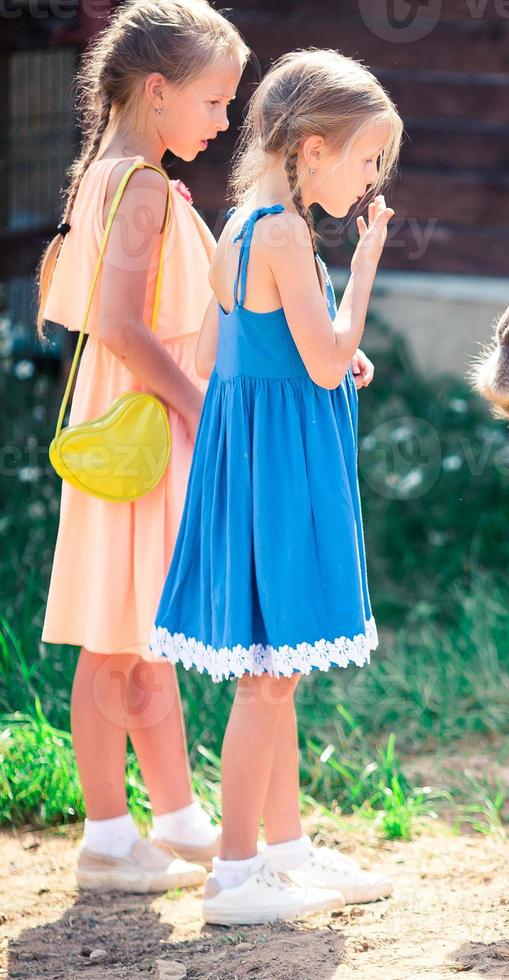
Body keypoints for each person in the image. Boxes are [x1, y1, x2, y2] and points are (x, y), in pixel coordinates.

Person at [149, 48, 403, 926]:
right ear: (312, 147)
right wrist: (366, 264)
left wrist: (330, 357)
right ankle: (234, 872)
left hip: (256, 464)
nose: (373, 182)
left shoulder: (243, 225)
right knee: (269, 678)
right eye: (368, 159)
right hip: (284, 474)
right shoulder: (289, 234)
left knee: (279, 666)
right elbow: (325, 360)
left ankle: (285, 851)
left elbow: (245, 356)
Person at [35, 0, 247, 894]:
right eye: (212, 101)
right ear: (157, 91)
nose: (225, 121)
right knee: (114, 643)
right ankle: (108, 838)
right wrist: (199, 405)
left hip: (137, 419)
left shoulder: (118, 174)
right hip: (149, 425)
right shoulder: (142, 184)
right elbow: (121, 325)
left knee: (143, 631)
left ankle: (176, 818)